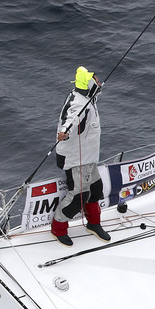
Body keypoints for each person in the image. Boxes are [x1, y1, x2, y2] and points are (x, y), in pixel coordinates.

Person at [52, 66, 111, 245]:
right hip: (75, 158)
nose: (100, 84)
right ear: (89, 84)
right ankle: (58, 228)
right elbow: (71, 118)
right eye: (97, 81)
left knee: (96, 189)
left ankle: (93, 224)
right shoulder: (79, 102)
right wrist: (64, 132)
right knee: (78, 195)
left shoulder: (88, 98)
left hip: (88, 156)